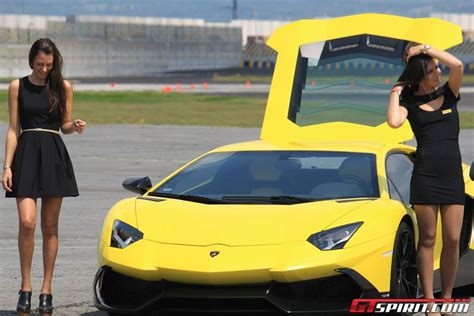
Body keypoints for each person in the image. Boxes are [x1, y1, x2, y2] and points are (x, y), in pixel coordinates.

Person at [2, 38, 86, 314]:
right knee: (27, 222)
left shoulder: (63, 87)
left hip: (52, 156)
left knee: (49, 227)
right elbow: (14, 129)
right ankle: (25, 286)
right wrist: (7, 166)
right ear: (31, 60)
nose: (44, 69)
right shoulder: (17, 86)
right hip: (25, 154)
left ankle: (46, 289)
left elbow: (63, 125)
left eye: (49, 65)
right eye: (40, 64)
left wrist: (73, 126)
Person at [387, 42, 464, 316]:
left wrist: (427, 49)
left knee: (453, 238)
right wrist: (396, 91)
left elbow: (458, 65)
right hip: (425, 178)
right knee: (428, 238)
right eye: (431, 70)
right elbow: (394, 121)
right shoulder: (409, 101)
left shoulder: (450, 93)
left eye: (436, 68)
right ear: (420, 75)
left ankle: (447, 297)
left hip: (452, 178)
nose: (437, 73)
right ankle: (430, 300)